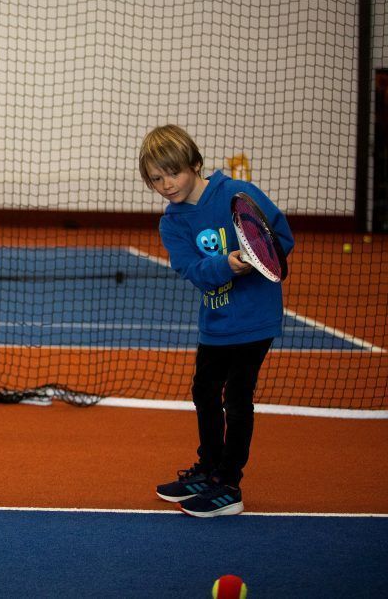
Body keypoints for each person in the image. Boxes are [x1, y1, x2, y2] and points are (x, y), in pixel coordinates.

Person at [138, 124, 293, 518]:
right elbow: (193, 270)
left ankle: (228, 484)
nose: (166, 184)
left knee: (237, 400)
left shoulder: (238, 195)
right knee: (203, 392)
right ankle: (207, 470)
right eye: (156, 179)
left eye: (173, 173)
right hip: (216, 321)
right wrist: (227, 263)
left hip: (255, 320)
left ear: (194, 163)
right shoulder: (172, 223)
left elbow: (282, 240)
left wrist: (257, 256)